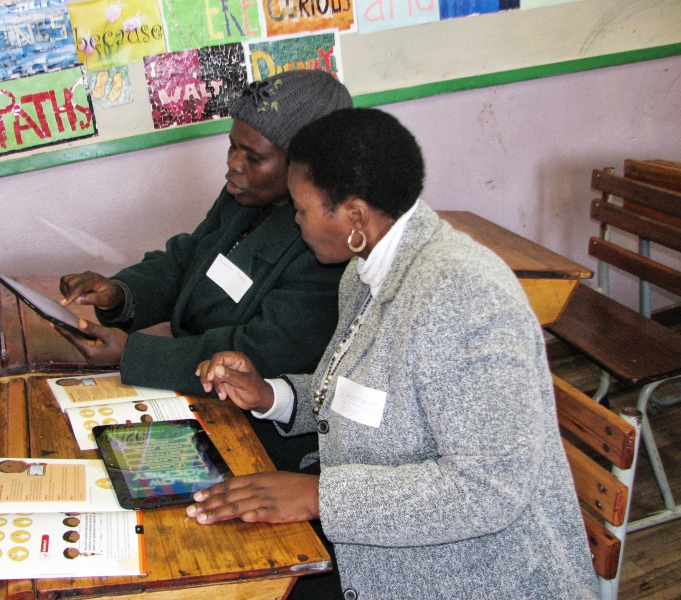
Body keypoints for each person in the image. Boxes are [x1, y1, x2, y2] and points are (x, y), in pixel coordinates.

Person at [189, 108, 599, 599]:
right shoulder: (365, 270)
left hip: (477, 575)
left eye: (301, 210)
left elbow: (490, 487)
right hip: (383, 546)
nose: (295, 222)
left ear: (355, 217)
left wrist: (320, 497)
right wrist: (270, 396)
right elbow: (364, 395)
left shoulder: (465, 295)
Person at [54, 70, 352, 472]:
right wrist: (120, 293)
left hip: (258, 431)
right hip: (191, 388)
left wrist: (133, 353)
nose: (233, 165)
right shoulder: (243, 197)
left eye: (253, 157)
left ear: (306, 168)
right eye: (232, 147)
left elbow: (259, 354)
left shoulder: (326, 246)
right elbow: (187, 259)